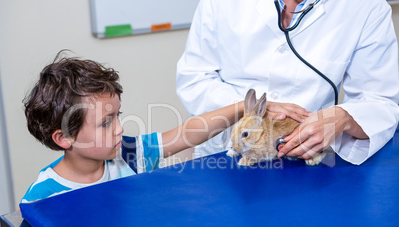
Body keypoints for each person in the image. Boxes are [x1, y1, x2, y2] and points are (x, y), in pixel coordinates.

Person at [176, 0, 399, 165]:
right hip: (226, 156)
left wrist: (345, 117)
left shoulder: (367, 7)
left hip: (307, 160)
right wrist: (248, 112)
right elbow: (194, 79)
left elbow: (380, 100)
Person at [21, 51, 247, 203]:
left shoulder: (129, 153)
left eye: (117, 116)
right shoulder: (42, 198)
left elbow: (188, 132)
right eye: (105, 123)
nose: (119, 128)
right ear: (64, 137)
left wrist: (245, 106)